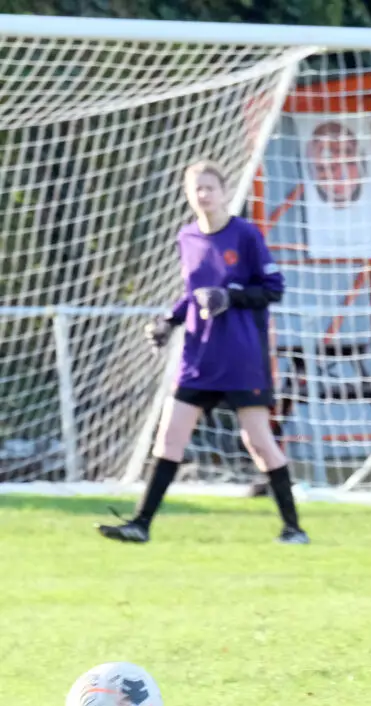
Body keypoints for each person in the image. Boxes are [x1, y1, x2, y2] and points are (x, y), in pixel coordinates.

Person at [96, 160, 310, 545]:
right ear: (188, 195)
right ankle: (140, 525)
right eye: (196, 189)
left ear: (224, 191)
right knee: (169, 438)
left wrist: (231, 296)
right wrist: (168, 321)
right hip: (198, 358)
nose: (203, 195)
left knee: (258, 442)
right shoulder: (187, 238)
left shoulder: (245, 235)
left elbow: (274, 288)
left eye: (210, 187)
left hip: (242, 358)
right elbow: (191, 295)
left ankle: (293, 528)